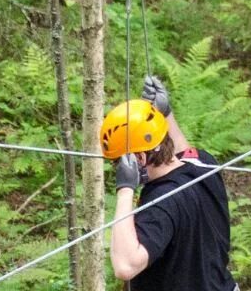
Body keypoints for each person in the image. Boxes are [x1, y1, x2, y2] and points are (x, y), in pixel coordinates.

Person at [101, 75, 237, 290]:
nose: (118, 168)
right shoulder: (203, 165)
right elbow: (184, 151)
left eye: (118, 162)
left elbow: (125, 266)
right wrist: (166, 114)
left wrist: (125, 189)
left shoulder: (162, 202)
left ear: (139, 160)